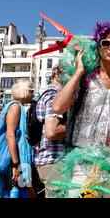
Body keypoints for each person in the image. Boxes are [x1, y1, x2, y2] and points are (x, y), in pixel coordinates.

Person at [51, 21, 110, 198]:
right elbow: (58, 106)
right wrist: (79, 71)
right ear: (98, 47)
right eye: (106, 43)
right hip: (84, 164)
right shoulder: (84, 80)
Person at [0, 79, 35, 198]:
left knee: (23, 187)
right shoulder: (15, 107)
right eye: (31, 91)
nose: (33, 94)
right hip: (14, 160)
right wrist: (16, 165)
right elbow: (10, 135)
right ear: (24, 92)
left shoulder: (14, 106)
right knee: (20, 186)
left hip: (14, 158)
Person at [35, 63, 66, 198]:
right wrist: (78, 126)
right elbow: (52, 131)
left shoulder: (48, 94)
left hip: (52, 161)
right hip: (54, 161)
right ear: (58, 75)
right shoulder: (54, 96)